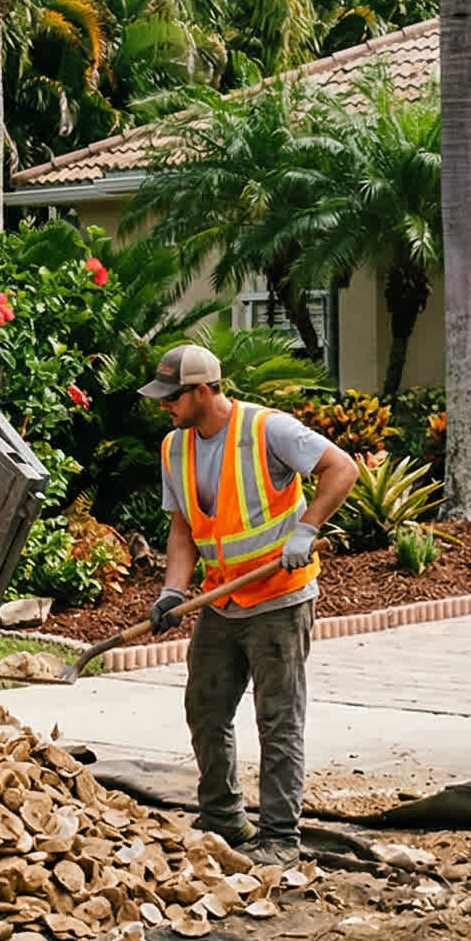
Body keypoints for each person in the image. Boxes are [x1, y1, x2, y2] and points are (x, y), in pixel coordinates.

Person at [138, 342, 358, 865]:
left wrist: (307, 528)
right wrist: (174, 589)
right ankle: (223, 820)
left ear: (204, 391)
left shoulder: (267, 430)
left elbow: (341, 468)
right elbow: (183, 527)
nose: (164, 405)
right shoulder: (175, 447)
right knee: (205, 708)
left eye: (173, 396)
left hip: (279, 600)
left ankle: (280, 837)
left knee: (278, 720)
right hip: (222, 600)